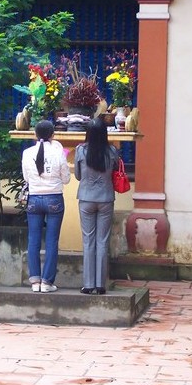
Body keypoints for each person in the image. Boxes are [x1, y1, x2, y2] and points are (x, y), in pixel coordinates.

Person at [21, 120, 71, 293]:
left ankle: (35, 282)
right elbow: (66, 179)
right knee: (52, 241)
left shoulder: (27, 153)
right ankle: (47, 282)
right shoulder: (58, 153)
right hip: (54, 199)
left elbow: (26, 178)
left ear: (35, 134)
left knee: (33, 240)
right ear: (53, 135)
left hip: (34, 199)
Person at [74, 118, 119, 295]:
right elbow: (115, 171)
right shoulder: (113, 151)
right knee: (102, 241)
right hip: (106, 198)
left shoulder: (80, 150)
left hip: (86, 198)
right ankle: (100, 285)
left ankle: (88, 284)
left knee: (88, 241)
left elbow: (78, 175)